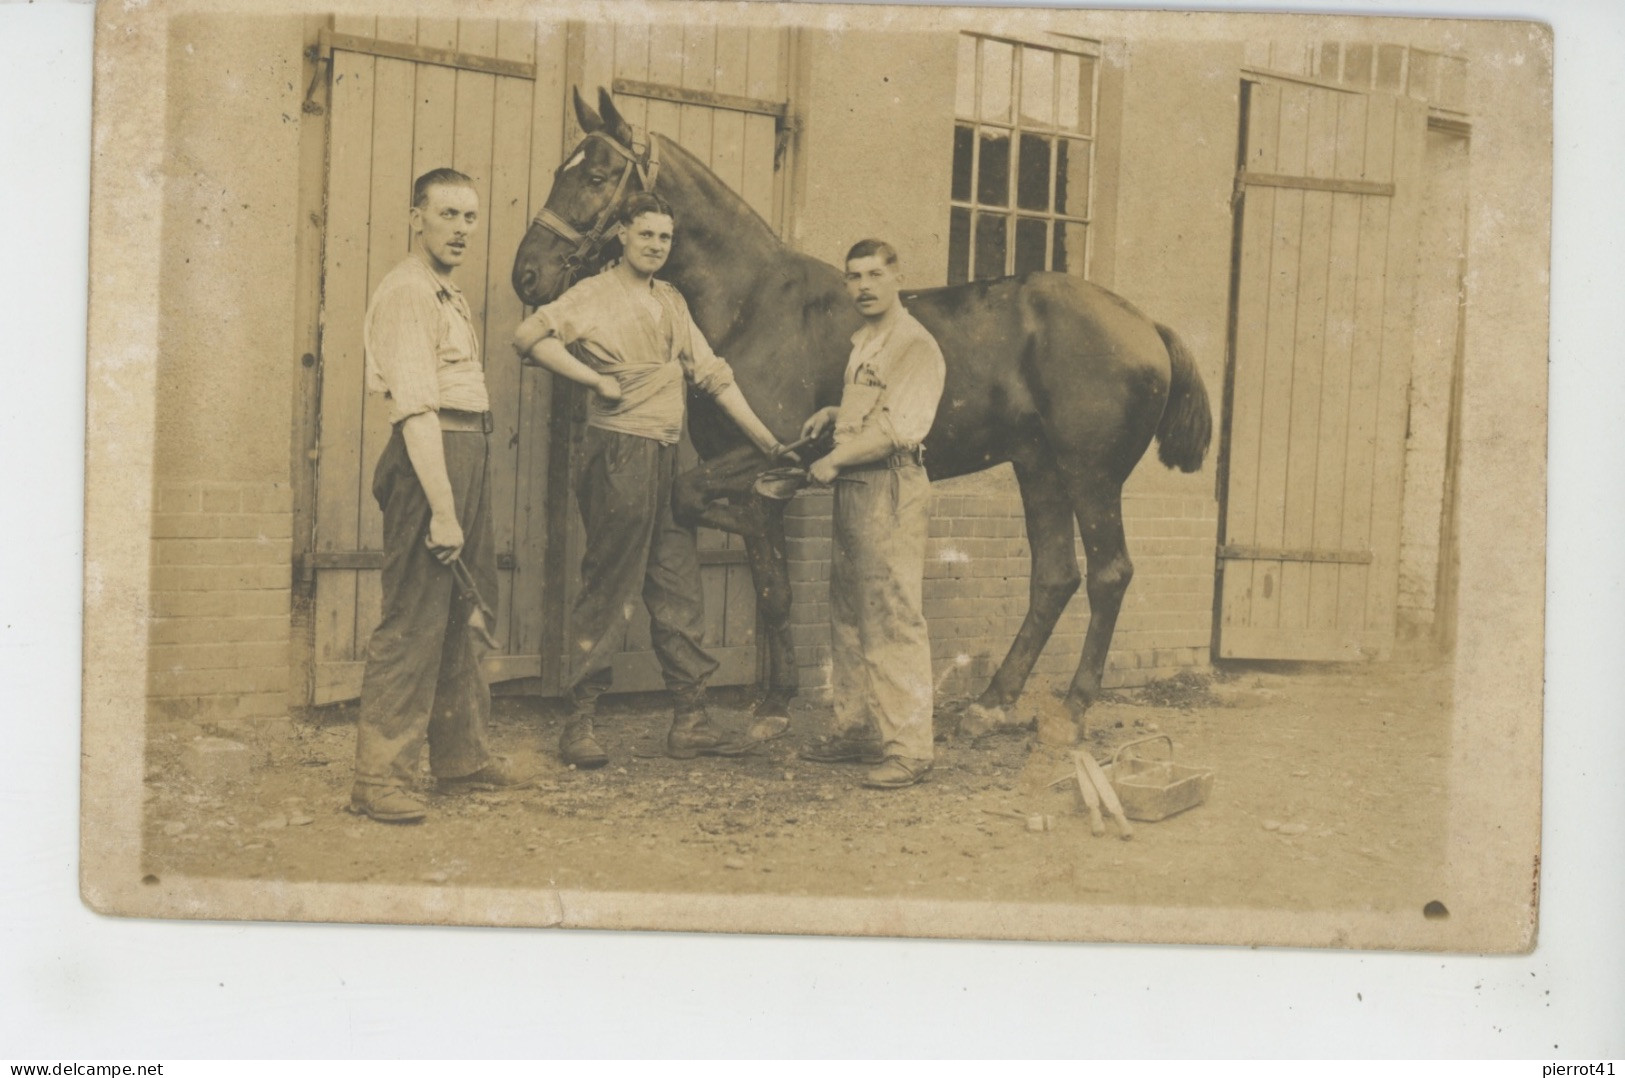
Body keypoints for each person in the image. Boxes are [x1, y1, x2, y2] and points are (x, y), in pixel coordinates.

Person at [512, 192, 788, 768]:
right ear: (621, 236)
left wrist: (767, 444)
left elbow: (711, 374)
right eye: (646, 236)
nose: (657, 246)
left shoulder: (671, 300)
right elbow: (528, 338)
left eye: (664, 238)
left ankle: (690, 721)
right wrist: (594, 379)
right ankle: (579, 723)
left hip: (667, 455)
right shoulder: (591, 294)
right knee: (610, 587)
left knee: (678, 585)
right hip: (618, 454)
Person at [349, 168, 532, 823]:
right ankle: (379, 778)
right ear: (415, 218)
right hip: (431, 459)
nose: (460, 229)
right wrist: (444, 510)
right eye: (447, 214)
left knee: (463, 609)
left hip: (465, 451)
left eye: (470, 217)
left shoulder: (445, 292)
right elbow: (416, 412)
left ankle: (460, 758)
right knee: (413, 619)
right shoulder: (406, 294)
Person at [798, 240, 946, 789]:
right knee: (849, 611)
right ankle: (858, 728)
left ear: (897, 276)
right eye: (853, 275)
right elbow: (873, 410)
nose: (863, 286)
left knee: (891, 614)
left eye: (875, 274)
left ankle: (910, 750)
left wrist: (834, 459)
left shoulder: (913, 344)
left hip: (889, 485)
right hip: (857, 486)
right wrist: (837, 413)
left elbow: (896, 429)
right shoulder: (867, 341)